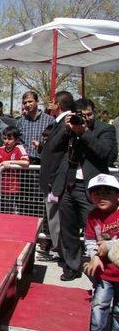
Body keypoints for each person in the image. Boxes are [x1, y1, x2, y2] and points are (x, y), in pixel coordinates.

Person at [50, 97, 117, 281]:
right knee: (68, 228)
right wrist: (66, 129)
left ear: (94, 112)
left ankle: (104, 266)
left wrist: (84, 132)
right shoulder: (68, 127)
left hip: (94, 189)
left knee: (97, 229)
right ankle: (72, 266)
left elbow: (105, 153)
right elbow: (53, 148)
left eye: (89, 115)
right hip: (68, 184)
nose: (85, 118)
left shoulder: (105, 129)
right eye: (81, 116)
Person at [82, 173, 119, 331]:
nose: (101, 197)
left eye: (107, 193)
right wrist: (94, 256)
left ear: (117, 195)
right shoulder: (92, 217)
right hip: (104, 271)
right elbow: (89, 240)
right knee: (100, 302)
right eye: (96, 194)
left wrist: (109, 245)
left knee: (118, 306)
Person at [39, 91, 75, 264]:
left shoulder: (65, 124)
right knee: (53, 218)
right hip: (52, 177)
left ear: (58, 105)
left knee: (57, 219)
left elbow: (56, 149)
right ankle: (59, 250)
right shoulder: (58, 123)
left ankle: (62, 252)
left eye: (52, 102)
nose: (49, 105)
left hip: (56, 179)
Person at [0, 126, 30, 214]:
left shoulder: (19, 148)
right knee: (0, 210)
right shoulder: (0, 149)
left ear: (16, 139)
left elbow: (26, 162)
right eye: (4, 138)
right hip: (0, 186)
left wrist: (10, 162)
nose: (6, 141)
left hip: (13, 187)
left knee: (12, 212)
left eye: (10, 139)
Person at [17, 90, 55, 164]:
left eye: (30, 101)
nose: (27, 105)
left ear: (37, 101)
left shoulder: (50, 120)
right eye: (25, 103)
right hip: (25, 164)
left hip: (43, 162)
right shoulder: (20, 122)